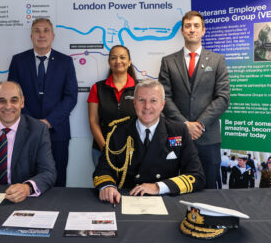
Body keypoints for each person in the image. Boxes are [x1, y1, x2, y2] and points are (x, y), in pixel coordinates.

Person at [93, 80, 205, 205]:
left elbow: (197, 176)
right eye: (141, 100)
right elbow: (103, 169)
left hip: (165, 199)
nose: (147, 106)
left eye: (153, 101)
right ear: (134, 103)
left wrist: (158, 187)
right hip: (125, 199)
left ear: (162, 104)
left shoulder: (178, 131)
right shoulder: (118, 131)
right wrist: (108, 187)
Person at [158, 11, 230, 189]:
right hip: (176, 136)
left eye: (196, 26)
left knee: (209, 188)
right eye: (188, 26)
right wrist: (185, 125)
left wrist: (199, 124)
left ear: (203, 30)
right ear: (182, 31)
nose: (192, 30)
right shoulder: (168, 62)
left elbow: (223, 97)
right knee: (174, 185)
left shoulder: (217, 60)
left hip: (208, 137)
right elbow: (163, 97)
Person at [8, 18, 78, 187]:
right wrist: (32, 123)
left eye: (46, 30)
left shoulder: (65, 62)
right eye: (37, 31)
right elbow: (13, 96)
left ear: (53, 35)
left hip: (57, 131)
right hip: (25, 130)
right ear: (31, 36)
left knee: (58, 177)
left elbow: (70, 97)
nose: (41, 35)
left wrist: (48, 122)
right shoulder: (18, 61)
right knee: (26, 177)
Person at [87, 45, 137, 166]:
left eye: (122, 57)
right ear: (109, 62)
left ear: (129, 62)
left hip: (133, 151)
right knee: (105, 185)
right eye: (114, 58)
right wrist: (105, 150)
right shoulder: (97, 88)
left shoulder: (139, 88)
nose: (118, 61)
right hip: (101, 151)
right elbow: (93, 121)